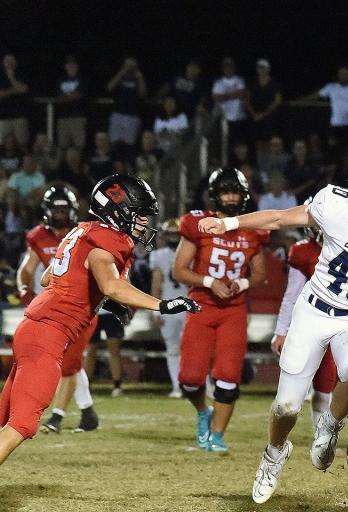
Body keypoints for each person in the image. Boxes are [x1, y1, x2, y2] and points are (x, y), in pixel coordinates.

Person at [199, 160, 348, 500]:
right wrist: (228, 223)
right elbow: (280, 217)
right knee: (285, 409)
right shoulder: (334, 206)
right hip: (314, 311)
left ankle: (330, 423)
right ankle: (274, 453)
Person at [0, 174, 199, 465]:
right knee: (22, 423)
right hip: (49, 334)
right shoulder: (108, 241)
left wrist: (95, 294)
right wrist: (164, 304)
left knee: (5, 415)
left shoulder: (81, 230)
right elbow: (112, 286)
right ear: (116, 211)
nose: (144, 223)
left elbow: (47, 277)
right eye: (139, 215)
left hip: (33, 328)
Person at [173, 168, 269, 453]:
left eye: (235, 192)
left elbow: (260, 274)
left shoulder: (252, 227)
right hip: (202, 305)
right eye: (226, 192)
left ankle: (217, 435)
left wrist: (241, 282)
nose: (230, 198)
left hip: (234, 310)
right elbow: (178, 270)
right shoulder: (198, 223)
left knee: (228, 375)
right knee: (190, 379)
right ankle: (204, 411)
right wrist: (209, 281)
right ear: (215, 195)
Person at [17, 186, 99, 433]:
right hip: (54, 305)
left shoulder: (84, 233)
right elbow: (27, 269)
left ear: (73, 211)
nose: (61, 215)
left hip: (81, 307)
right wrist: (24, 290)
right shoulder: (38, 236)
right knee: (70, 362)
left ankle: (57, 416)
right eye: (56, 209)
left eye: (64, 210)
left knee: (68, 363)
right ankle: (88, 413)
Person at [271, 224, 338, 427]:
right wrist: (281, 331)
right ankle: (322, 435)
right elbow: (292, 295)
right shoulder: (303, 251)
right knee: (319, 385)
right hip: (313, 322)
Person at [150, 219, 189, 398]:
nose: (173, 237)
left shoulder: (189, 252)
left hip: (181, 305)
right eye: (171, 234)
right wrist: (155, 309)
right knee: (174, 349)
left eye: (176, 234)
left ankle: (186, 386)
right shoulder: (160, 255)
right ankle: (179, 386)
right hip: (175, 305)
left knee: (188, 349)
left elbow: (156, 284)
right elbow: (156, 284)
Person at [105, 57, 146, 149]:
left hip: (133, 115)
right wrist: (120, 73)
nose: (129, 67)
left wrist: (140, 78)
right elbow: (109, 88)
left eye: (132, 65)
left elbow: (142, 95)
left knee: (129, 143)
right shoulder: (120, 77)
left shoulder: (138, 78)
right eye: (127, 65)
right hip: (117, 114)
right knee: (113, 142)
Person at [245, 59, 283, 157]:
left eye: (263, 67)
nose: (261, 70)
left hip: (269, 118)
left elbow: (277, 101)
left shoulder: (274, 83)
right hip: (255, 117)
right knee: (258, 142)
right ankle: (260, 163)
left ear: (268, 69)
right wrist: (254, 114)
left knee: (269, 141)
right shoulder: (252, 82)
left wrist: (264, 114)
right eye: (259, 67)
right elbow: (247, 100)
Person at [211, 57, 247, 144]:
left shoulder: (239, 80)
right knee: (225, 143)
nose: (228, 69)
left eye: (230, 67)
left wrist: (223, 96)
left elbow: (241, 93)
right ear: (223, 69)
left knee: (239, 143)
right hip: (224, 119)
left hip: (239, 118)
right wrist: (233, 95)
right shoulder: (218, 82)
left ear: (234, 68)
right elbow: (215, 98)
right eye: (226, 67)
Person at [56, 55, 87, 150]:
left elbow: (81, 95)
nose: (71, 66)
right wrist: (71, 96)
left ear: (77, 66)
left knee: (79, 146)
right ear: (65, 66)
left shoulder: (83, 79)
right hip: (63, 117)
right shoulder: (60, 80)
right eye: (69, 64)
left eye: (73, 64)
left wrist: (67, 96)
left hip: (78, 116)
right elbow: (58, 98)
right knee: (62, 146)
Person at [0, 54, 30, 148]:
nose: (9, 63)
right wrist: (15, 89)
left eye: (11, 61)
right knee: (2, 143)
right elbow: (1, 94)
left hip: (20, 115)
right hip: (4, 117)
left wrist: (11, 78)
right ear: (3, 63)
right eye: (7, 61)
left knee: (22, 144)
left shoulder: (22, 74)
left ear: (15, 63)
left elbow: (24, 89)